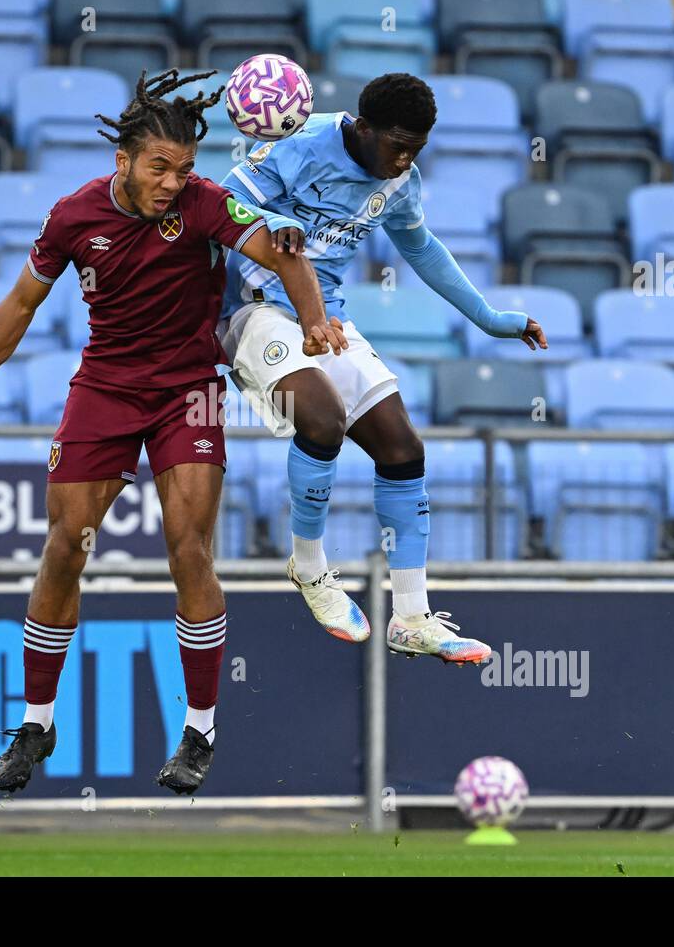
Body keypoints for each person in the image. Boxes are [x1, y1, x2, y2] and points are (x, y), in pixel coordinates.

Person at [0, 69, 345, 795]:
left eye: (185, 169)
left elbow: (283, 250)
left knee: (189, 547)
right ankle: (38, 721)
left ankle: (200, 729)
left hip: (189, 392)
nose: (174, 183)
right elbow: (19, 306)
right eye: (159, 168)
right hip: (105, 390)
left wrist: (313, 321)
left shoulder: (207, 205)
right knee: (63, 547)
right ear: (124, 163)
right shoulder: (74, 216)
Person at [218, 72, 549, 663]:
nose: (403, 160)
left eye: (416, 149)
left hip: (328, 319)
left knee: (402, 446)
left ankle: (412, 617)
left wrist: (490, 317)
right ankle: (311, 567)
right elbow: (220, 204)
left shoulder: (400, 181)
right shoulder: (298, 144)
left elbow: (421, 248)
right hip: (254, 309)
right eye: (396, 145)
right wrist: (268, 221)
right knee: (320, 418)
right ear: (362, 128)